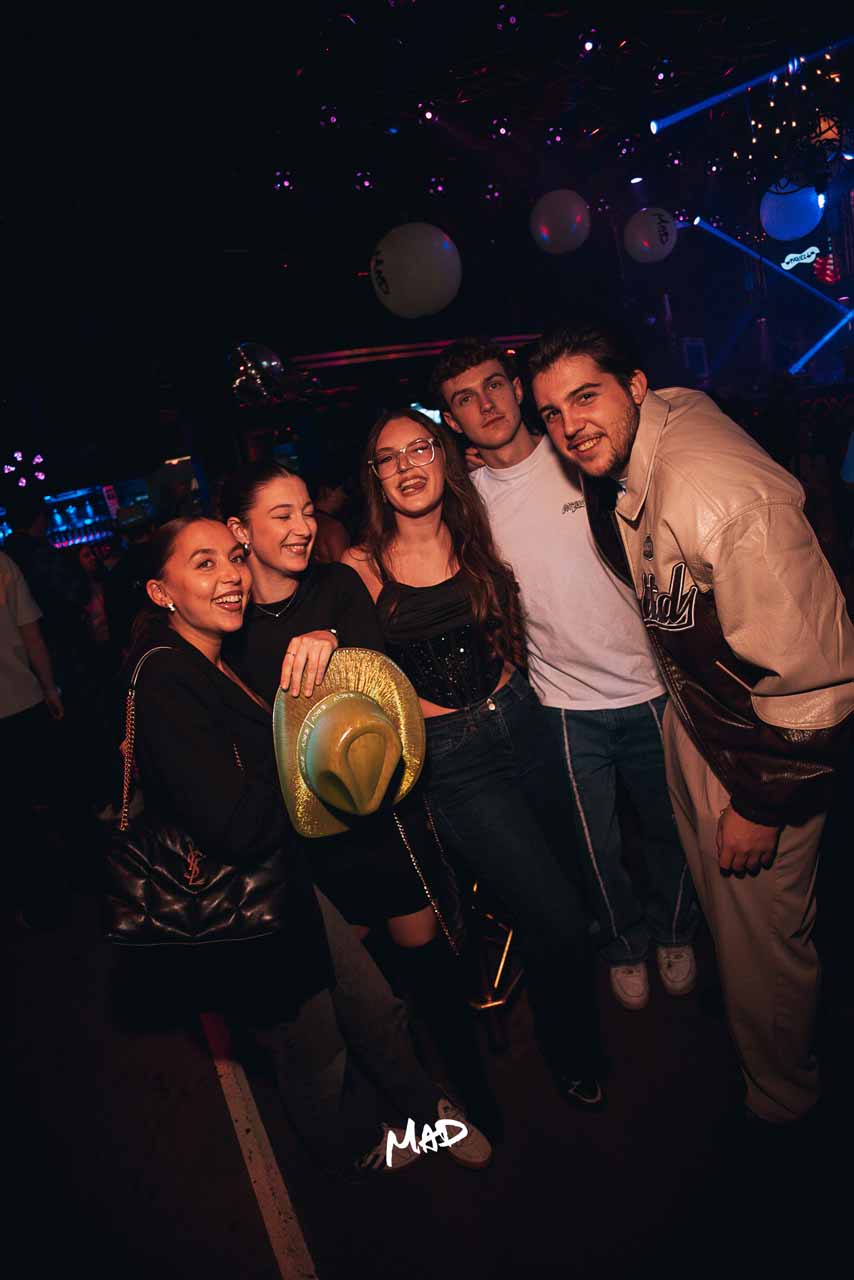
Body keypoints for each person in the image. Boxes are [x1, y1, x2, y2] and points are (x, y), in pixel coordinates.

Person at [528, 320, 854, 1130]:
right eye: (553, 413)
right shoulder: (636, 448)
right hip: (703, 718)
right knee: (731, 925)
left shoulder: (721, 496)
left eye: (587, 397)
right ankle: (758, 1045)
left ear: (636, 386)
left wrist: (761, 803)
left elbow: (818, 680)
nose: (571, 427)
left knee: (763, 945)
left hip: (758, 753)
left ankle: (784, 1104)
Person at [118, 513, 491, 1174]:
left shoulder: (211, 658)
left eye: (233, 558)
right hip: (243, 913)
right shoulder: (168, 679)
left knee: (374, 1010)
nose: (231, 576)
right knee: (317, 1054)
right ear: (159, 591)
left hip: (287, 886)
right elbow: (234, 824)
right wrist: (313, 773)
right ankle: (354, 1152)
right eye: (204, 563)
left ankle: (423, 1112)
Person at [219, 462, 500, 1136]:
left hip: (378, 822)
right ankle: (401, 1103)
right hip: (301, 846)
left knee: (427, 965)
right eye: (281, 515)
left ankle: (471, 1094)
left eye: (305, 510)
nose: (302, 526)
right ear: (239, 530)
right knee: (359, 994)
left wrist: (334, 642)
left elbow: (384, 681)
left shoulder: (338, 586)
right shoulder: (228, 624)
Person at [342, 408, 605, 1108]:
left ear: (443, 456)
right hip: (454, 763)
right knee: (555, 916)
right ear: (375, 477)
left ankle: (568, 1029)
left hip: (523, 721)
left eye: (419, 449)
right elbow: (345, 669)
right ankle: (575, 1056)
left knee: (569, 896)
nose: (406, 466)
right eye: (388, 457)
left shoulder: (478, 532)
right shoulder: (360, 567)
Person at [430, 338, 699, 1011]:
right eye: (465, 398)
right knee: (593, 849)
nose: (486, 403)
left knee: (671, 829)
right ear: (453, 421)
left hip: (653, 688)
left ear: (519, 388)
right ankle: (624, 944)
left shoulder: (585, 455)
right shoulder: (466, 505)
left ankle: (675, 931)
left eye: (495, 384)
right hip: (561, 703)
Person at [0, 549, 68, 927]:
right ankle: (60, 892)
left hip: (19, 703)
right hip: (22, 701)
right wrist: (49, 688)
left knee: (12, 816)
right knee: (43, 801)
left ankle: (30, 900)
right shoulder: (3, 564)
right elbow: (31, 635)